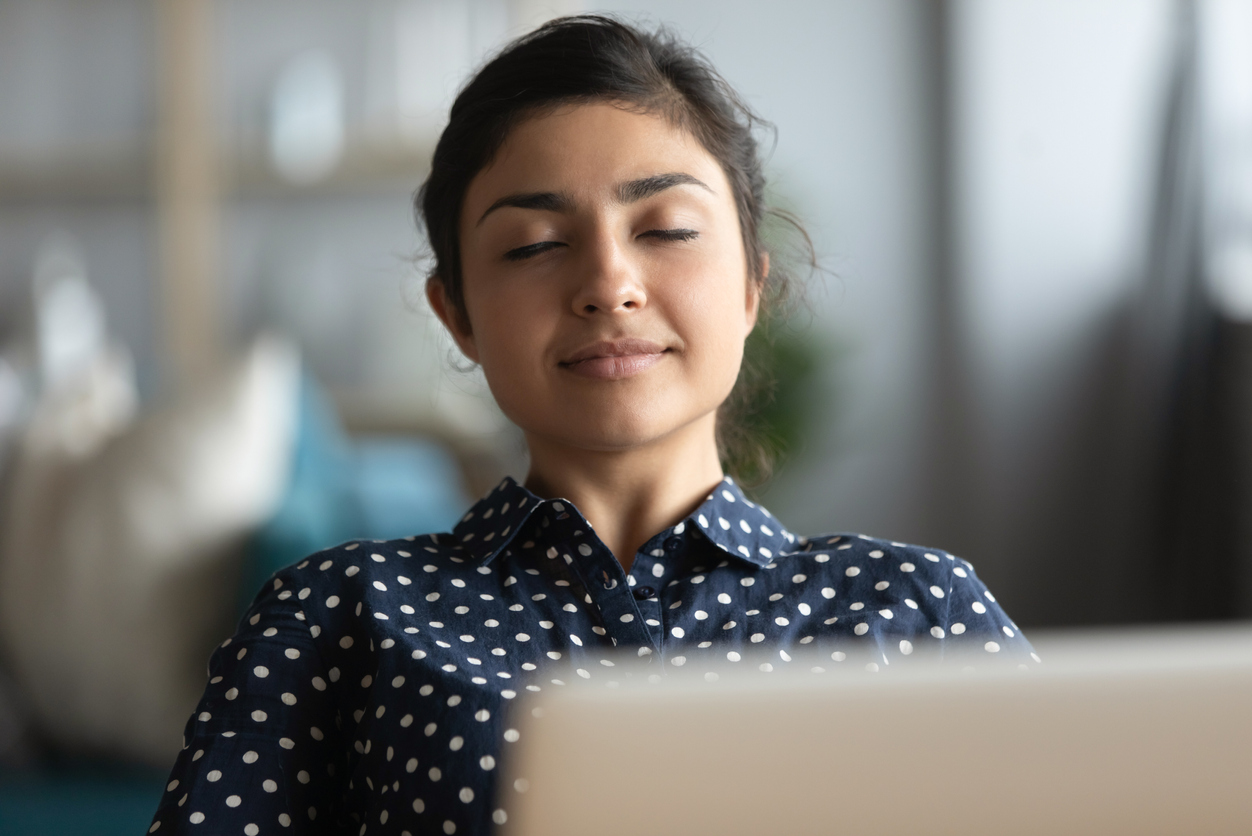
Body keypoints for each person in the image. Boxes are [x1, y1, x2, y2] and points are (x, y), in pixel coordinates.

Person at [148, 15, 1034, 836]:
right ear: (456, 314)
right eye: (534, 245)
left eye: (669, 229)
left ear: (753, 285)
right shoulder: (340, 614)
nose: (609, 283)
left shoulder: (917, 612)